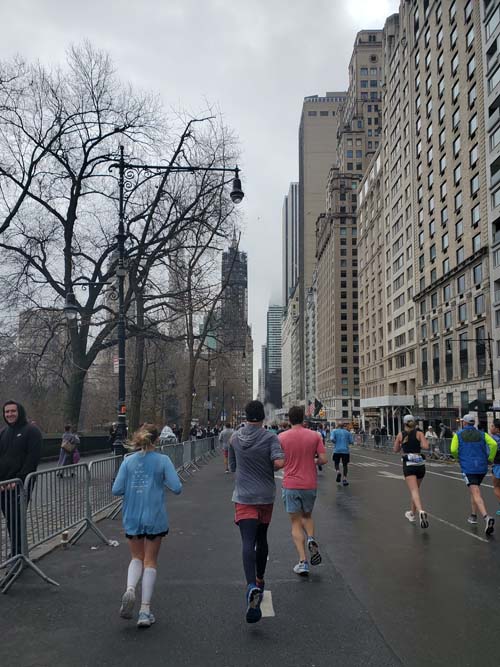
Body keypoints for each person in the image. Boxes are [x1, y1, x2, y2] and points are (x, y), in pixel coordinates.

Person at [112, 423, 182, 628]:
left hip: (132, 515)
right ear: (157, 439)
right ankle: (145, 610)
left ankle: (130, 589)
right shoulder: (163, 460)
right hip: (154, 516)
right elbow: (177, 487)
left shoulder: (128, 461)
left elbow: (116, 489)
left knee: (136, 557)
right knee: (150, 561)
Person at [228, 400, 284, 624]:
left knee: (246, 542)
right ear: (262, 417)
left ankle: (250, 585)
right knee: (262, 539)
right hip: (265, 496)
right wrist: (270, 464)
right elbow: (279, 462)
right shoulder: (270, 437)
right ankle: (260, 580)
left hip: (243, 496)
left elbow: (232, 467)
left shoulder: (235, 438)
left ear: (246, 416)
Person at [278, 406, 327, 576]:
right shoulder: (315, 436)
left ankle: (303, 561)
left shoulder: (282, 437)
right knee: (307, 516)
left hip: (291, 484)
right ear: (303, 419)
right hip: (309, 484)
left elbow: (280, 461)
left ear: (289, 419)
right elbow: (323, 459)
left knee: (295, 523)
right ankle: (311, 539)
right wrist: (312, 461)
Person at [0, 401, 42, 556]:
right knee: (10, 520)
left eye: (13, 411)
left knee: (17, 520)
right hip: (3, 485)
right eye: (6, 412)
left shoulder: (31, 431)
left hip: (19, 485)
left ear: (20, 412)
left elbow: (33, 459)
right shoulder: (3, 432)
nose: (9, 414)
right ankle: (17, 552)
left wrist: (20, 480)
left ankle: (19, 553)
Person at [450, 414, 497, 535]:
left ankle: (486, 517)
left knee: (475, 492)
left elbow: (453, 450)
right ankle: (473, 515)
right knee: (474, 490)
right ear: (473, 423)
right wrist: (490, 458)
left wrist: (458, 458)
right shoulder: (482, 434)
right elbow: (493, 444)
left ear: (464, 423)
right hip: (482, 467)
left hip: (468, 467)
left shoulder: (458, 435)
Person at [393, 415, 430, 529]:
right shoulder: (419, 434)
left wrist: (402, 444)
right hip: (420, 464)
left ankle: (421, 512)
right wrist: (418, 444)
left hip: (408, 464)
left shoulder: (401, 435)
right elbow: (426, 446)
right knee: (416, 490)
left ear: (404, 423)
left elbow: (395, 449)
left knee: (414, 491)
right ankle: (412, 514)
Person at [490, 419, 500, 516]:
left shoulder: (493, 439)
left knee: (496, 487)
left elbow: (489, 453)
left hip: (497, 465)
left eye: (492, 426)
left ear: (497, 429)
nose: (490, 427)